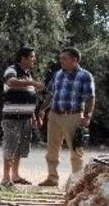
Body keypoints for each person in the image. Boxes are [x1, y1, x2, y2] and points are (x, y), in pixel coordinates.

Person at [37, 47, 96, 187]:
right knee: (52, 149)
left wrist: (87, 116)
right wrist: (42, 109)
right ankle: (52, 178)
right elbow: (51, 94)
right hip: (55, 115)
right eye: (60, 58)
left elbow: (90, 98)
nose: (61, 61)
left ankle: (76, 182)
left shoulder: (85, 76)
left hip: (74, 116)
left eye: (64, 58)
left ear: (75, 60)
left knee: (76, 151)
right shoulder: (58, 74)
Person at [0, 46, 44, 186]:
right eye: (31, 57)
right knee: (10, 146)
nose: (34, 59)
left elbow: (30, 98)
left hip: (26, 118)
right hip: (12, 117)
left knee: (20, 148)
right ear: (23, 58)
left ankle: (16, 176)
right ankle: (6, 178)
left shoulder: (28, 74)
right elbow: (10, 82)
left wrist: (34, 116)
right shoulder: (12, 70)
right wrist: (32, 83)